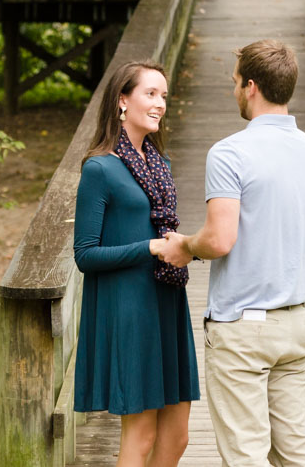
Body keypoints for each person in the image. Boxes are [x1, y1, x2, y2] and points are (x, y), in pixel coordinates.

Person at [154, 39, 305, 467]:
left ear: (251, 86)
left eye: (236, 82)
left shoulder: (230, 153)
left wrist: (184, 246)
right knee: (297, 450)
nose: (233, 90)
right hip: (296, 325)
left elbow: (219, 240)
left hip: (242, 328)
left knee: (246, 455)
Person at [73, 60, 200, 467]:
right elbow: (84, 255)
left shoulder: (159, 167)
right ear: (121, 101)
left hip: (166, 302)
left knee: (177, 436)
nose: (160, 103)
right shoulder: (100, 168)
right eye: (150, 93)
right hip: (130, 310)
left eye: (164, 95)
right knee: (141, 436)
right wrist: (148, 248)